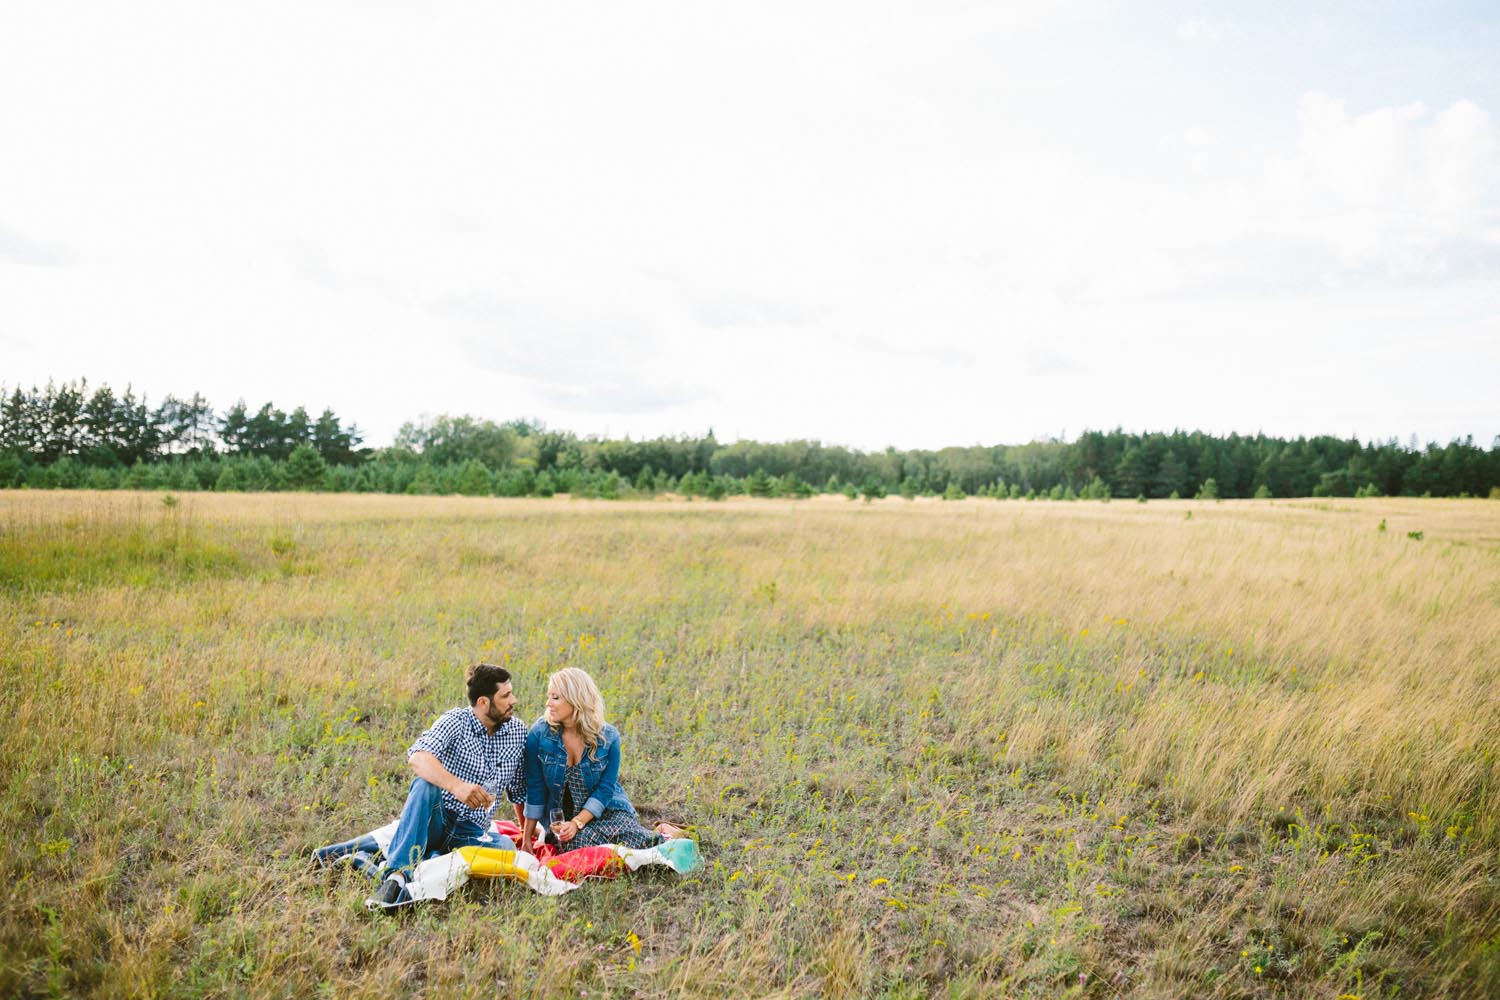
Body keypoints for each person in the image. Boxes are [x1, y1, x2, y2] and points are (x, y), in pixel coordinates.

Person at [370, 662, 528, 907]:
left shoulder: (517, 731)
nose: (513, 700)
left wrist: (527, 833)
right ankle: (397, 876)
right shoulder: (456, 720)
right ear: (484, 702)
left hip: (471, 833)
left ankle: (432, 858)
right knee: (424, 785)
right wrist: (458, 787)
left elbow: (518, 790)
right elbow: (418, 757)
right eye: (505, 695)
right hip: (438, 820)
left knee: (507, 848)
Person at [520, 667, 683, 855]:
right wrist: (527, 839)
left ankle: (666, 832)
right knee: (573, 847)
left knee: (646, 844)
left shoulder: (609, 737)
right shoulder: (539, 734)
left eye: (555, 697)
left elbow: (606, 789)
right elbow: (535, 788)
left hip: (605, 809)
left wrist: (577, 823)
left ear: (576, 699)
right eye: (549, 696)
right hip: (564, 816)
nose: (548, 703)